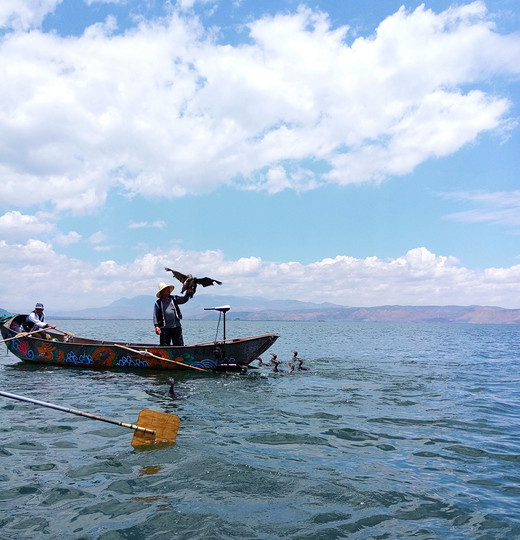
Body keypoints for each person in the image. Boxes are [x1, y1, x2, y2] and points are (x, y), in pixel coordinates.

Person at [153, 282, 192, 346]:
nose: (168, 290)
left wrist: (187, 293)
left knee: (179, 345)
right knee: (164, 346)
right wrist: (156, 326)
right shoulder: (158, 303)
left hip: (176, 327)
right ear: (162, 292)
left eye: (169, 289)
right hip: (164, 328)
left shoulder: (174, 298)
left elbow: (184, 299)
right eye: (166, 289)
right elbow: (155, 315)